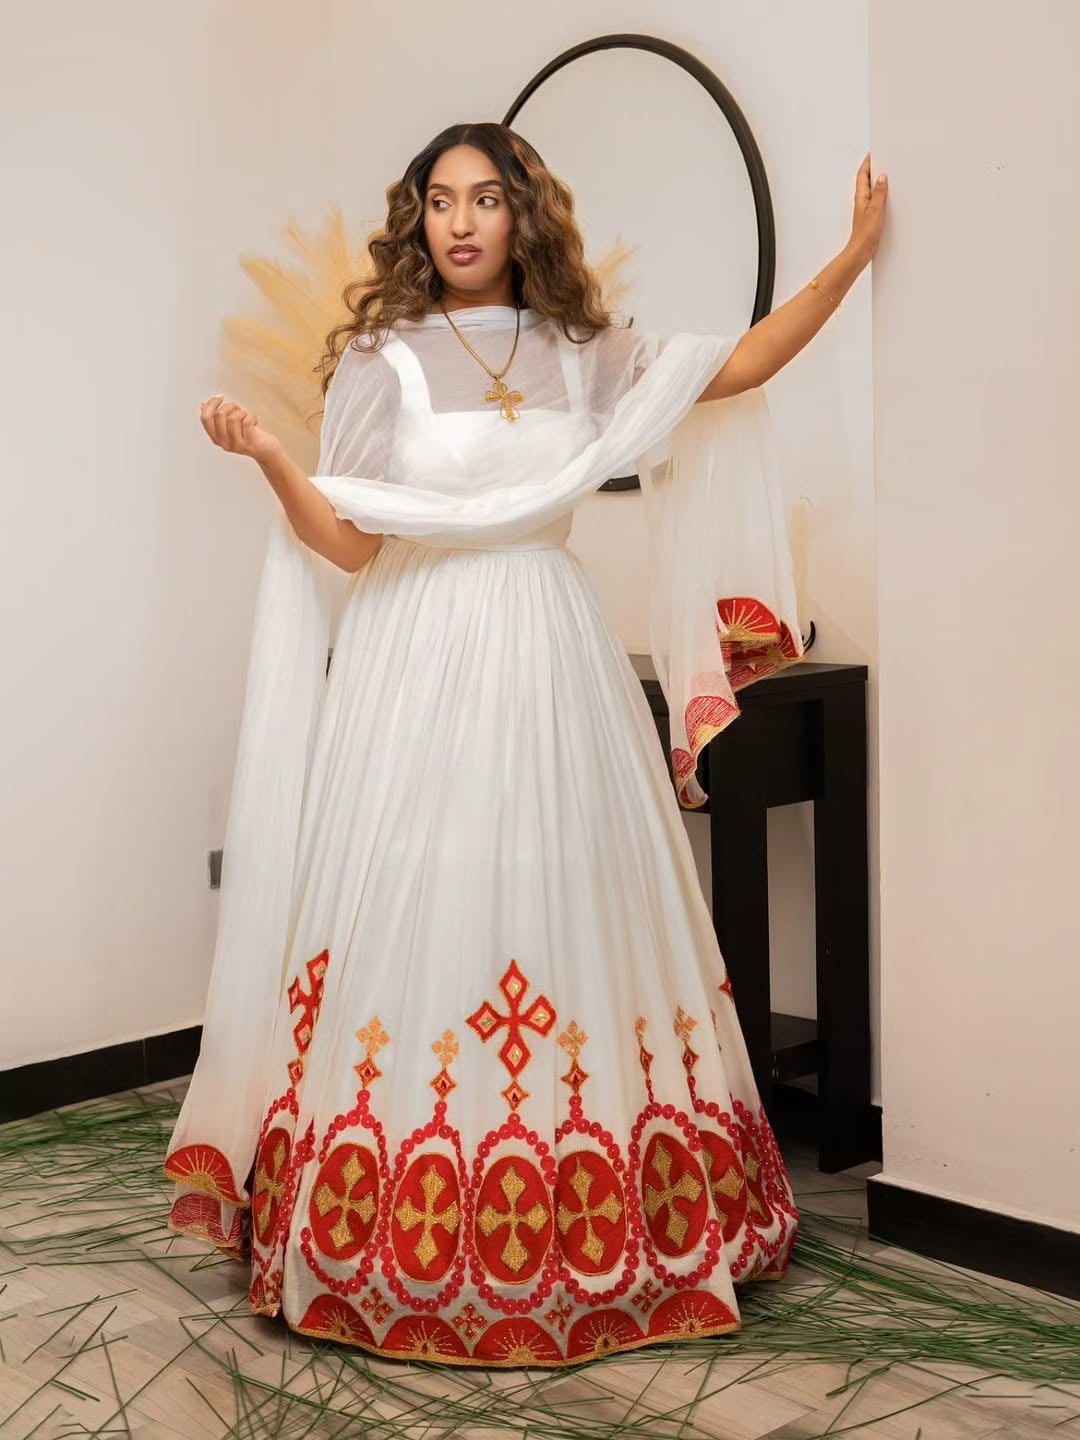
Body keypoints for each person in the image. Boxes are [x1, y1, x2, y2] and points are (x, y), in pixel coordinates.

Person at [163, 122, 886, 1367]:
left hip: (550, 655)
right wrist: (276, 456)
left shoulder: (583, 354)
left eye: (485, 199)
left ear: (522, 216)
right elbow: (349, 546)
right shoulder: (379, 363)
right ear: (418, 221)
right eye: (439, 202)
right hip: (415, 657)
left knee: (562, 897)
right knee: (427, 901)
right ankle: (397, 1229)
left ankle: (609, 1219)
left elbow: (743, 363)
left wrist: (852, 258)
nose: (460, 223)